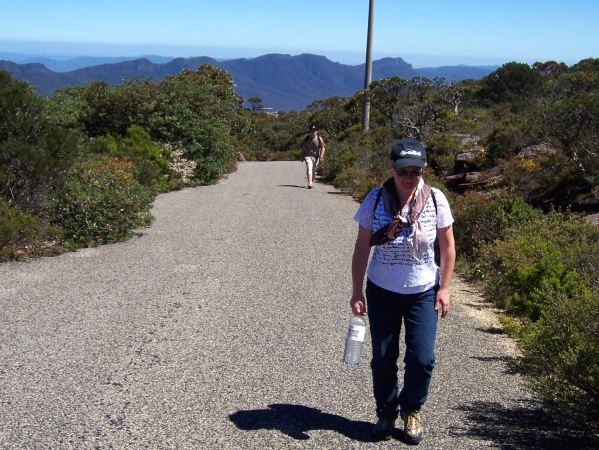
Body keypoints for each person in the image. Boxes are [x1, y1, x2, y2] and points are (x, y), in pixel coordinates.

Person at [350, 138, 455, 444]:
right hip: (382, 289)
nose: (410, 177)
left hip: (423, 291)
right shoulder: (374, 200)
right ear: (391, 168)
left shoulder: (436, 199)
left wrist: (445, 288)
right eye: (403, 171)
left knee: (422, 358)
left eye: (416, 171)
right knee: (383, 357)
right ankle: (385, 411)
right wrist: (357, 291)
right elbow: (360, 249)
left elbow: (447, 247)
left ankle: (411, 409)